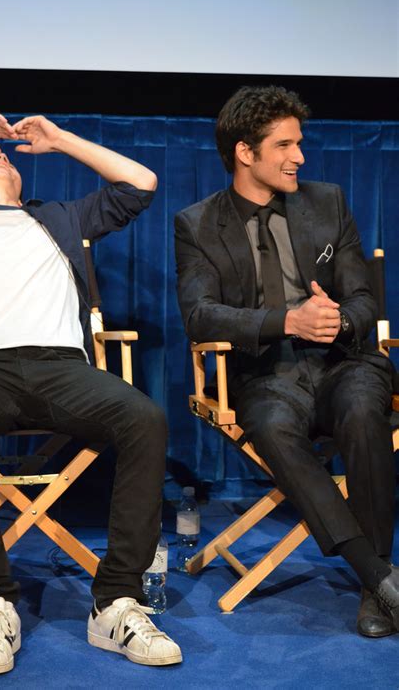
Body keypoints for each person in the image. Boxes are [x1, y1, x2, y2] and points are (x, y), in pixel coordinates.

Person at [0, 111, 182, 674]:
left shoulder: (62, 217)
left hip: (64, 369)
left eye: (10, 159)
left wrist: (61, 140)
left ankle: (116, 602)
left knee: (145, 418)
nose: (2, 158)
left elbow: (141, 183)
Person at [175, 86, 399, 637]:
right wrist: (285, 321)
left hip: (343, 360)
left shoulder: (328, 202)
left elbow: (364, 299)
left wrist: (338, 321)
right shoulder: (198, 224)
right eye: (285, 145)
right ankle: (378, 578)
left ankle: (376, 589)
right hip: (266, 372)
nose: (300, 155)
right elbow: (201, 316)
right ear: (245, 153)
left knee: (363, 411)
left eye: (300, 143)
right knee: (273, 427)